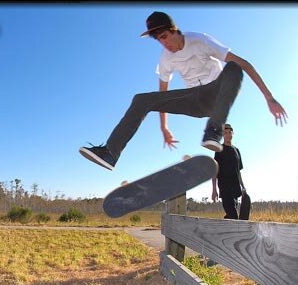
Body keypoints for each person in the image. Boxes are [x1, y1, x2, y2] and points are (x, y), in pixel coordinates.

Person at [79, 11, 287, 171]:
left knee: (234, 67)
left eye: (165, 37)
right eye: (159, 40)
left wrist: (269, 98)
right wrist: (164, 128)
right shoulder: (165, 59)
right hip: (195, 100)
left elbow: (245, 64)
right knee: (141, 99)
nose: (164, 44)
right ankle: (110, 153)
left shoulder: (201, 40)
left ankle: (213, 131)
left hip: (218, 93)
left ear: (174, 30)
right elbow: (161, 94)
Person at [211, 123, 247, 219]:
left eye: (229, 132)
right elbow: (214, 170)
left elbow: (238, 171)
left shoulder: (236, 150)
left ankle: (223, 229)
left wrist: (243, 187)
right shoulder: (219, 150)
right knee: (234, 216)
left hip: (235, 187)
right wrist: (214, 189)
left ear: (232, 133)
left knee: (231, 216)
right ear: (223, 135)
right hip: (225, 187)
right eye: (225, 133)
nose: (228, 134)